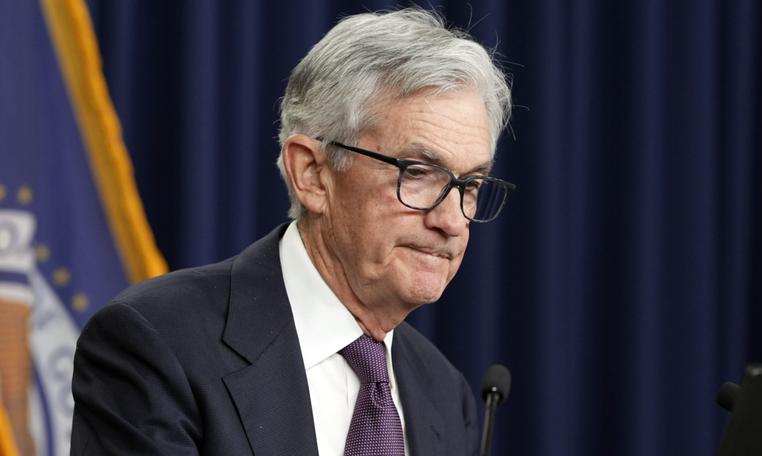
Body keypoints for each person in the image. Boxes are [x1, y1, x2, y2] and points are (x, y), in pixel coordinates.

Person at [70, 7, 514, 456]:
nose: (452, 221)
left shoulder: (443, 393)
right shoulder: (159, 344)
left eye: (469, 185)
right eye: (417, 172)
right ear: (313, 174)